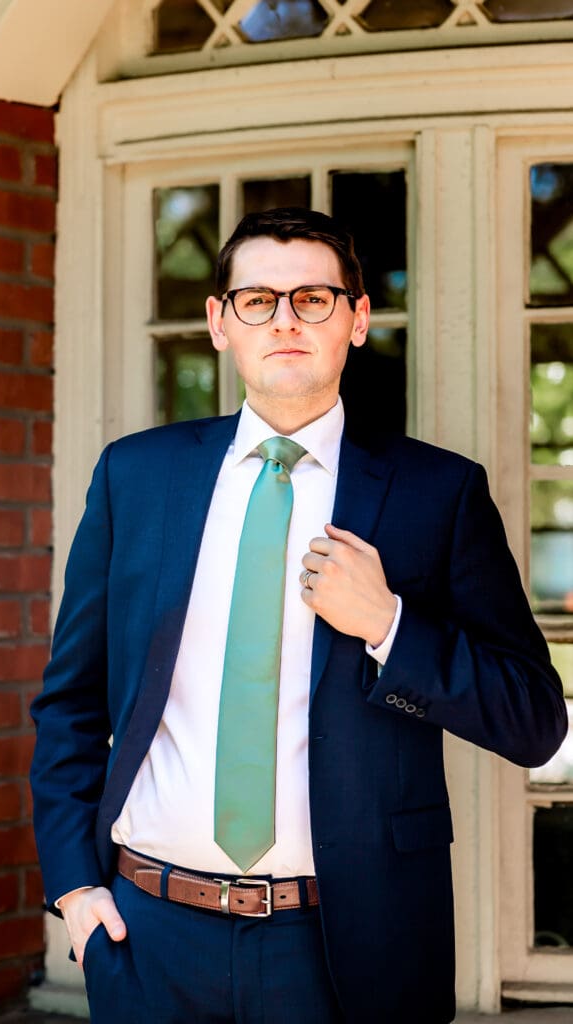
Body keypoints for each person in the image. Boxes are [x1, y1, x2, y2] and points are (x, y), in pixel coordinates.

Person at [30, 207, 567, 1024]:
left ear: (357, 319)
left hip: (348, 948)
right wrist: (74, 887)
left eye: (313, 298)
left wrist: (388, 625)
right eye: (257, 300)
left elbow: (533, 720)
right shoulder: (135, 477)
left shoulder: (436, 493)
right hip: (147, 939)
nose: (284, 320)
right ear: (219, 323)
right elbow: (70, 700)